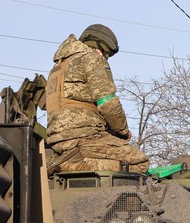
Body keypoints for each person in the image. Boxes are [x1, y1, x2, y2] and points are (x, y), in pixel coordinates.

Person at [45, 24, 149, 174]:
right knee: (139, 162)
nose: (106, 59)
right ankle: (72, 165)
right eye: (107, 55)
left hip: (57, 138)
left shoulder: (58, 68)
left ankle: (73, 160)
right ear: (99, 48)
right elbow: (107, 102)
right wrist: (123, 131)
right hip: (84, 136)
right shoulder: (92, 59)